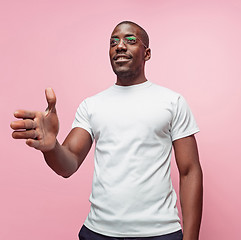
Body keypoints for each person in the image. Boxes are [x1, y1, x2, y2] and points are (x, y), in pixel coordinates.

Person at [11, 21, 203, 240]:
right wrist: (51, 146)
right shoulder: (91, 105)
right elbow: (68, 164)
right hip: (98, 232)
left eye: (130, 40)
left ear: (147, 53)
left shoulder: (172, 102)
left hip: (160, 233)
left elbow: (190, 171)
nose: (119, 46)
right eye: (113, 42)